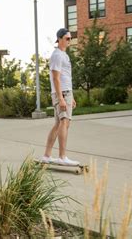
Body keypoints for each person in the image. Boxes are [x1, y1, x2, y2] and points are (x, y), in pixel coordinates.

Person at [41, 28, 79, 166]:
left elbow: (66, 78)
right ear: (60, 39)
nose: (70, 41)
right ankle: (62, 156)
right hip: (62, 93)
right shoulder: (57, 55)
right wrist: (61, 98)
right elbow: (56, 78)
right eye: (67, 38)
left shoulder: (64, 55)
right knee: (64, 122)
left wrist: (71, 97)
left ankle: (47, 155)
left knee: (58, 124)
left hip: (66, 93)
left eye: (70, 39)